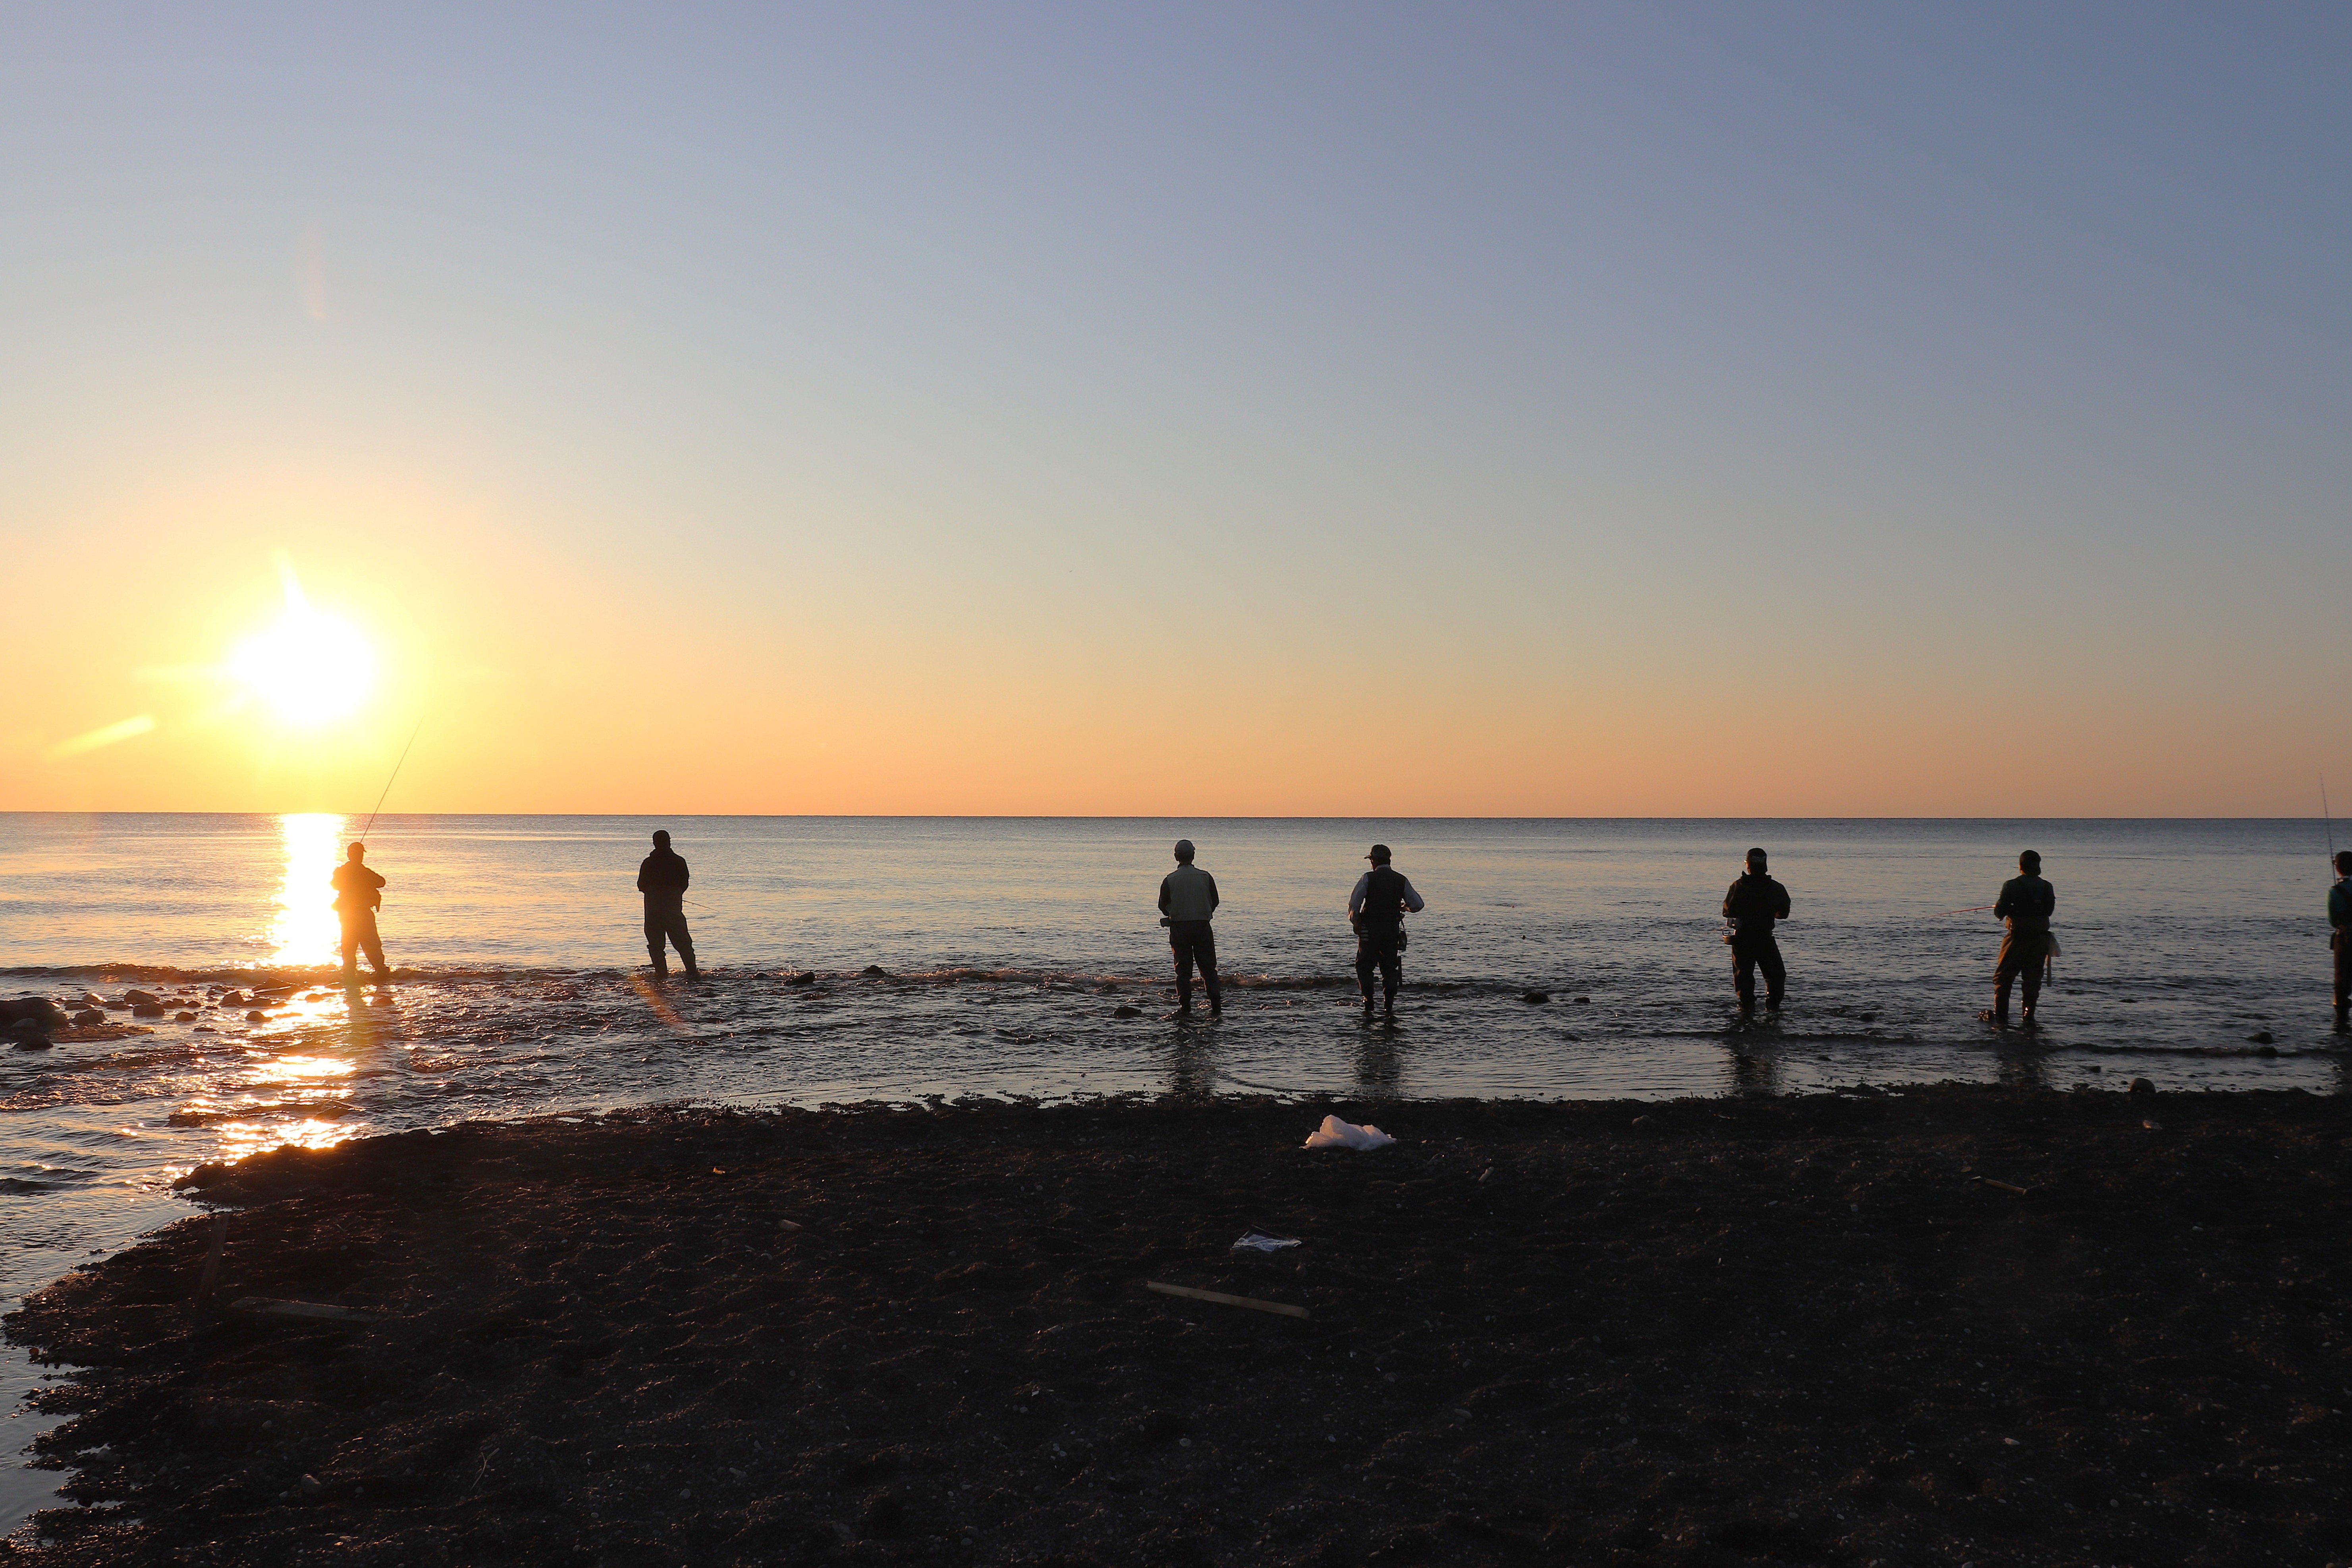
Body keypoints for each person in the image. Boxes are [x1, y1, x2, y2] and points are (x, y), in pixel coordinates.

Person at [1348, 844, 1425, 1019]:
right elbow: (1418, 905)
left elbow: (1354, 904)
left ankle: (1368, 1002)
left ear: (1373, 861)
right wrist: (1405, 908)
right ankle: (1388, 1006)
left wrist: (1356, 922)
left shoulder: (1368, 879)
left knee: (1365, 966)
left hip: (1370, 930)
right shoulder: (1401, 880)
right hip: (1391, 930)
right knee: (1390, 968)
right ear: (1389, 860)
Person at [1991, 850, 2057, 1028]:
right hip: (2040, 941)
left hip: (2016, 939)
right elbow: (2049, 911)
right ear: (2038, 866)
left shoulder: (2011, 886)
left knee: (2003, 979)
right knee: (2032, 981)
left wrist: (2001, 908)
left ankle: (2001, 1019)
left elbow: (1999, 913)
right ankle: (2029, 1019)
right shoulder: (2047, 887)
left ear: (2021, 866)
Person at [1156, 839, 1222, 1019]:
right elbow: (1215, 901)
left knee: (1183, 971)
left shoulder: (1170, 880)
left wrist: (1174, 913)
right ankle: (1216, 1006)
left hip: (1180, 928)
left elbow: (1162, 905)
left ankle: (1185, 1007)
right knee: (1209, 969)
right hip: (1202, 926)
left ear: (1176, 857)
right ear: (1193, 855)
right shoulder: (1206, 877)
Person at [1721, 847, 1790, 1015]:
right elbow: (1784, 914)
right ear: (1765, 866)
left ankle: (1746, 1010)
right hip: (1764, 939)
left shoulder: (1738, 887)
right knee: (1776, 976)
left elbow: (1727, 912)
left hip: (1743, 940)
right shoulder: (1776, 888)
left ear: (1748, 866)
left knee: (1743, 978)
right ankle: (1772, 1009)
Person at [637, 830, 699, 979]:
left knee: (656, 946)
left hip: (652, 911)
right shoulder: (679, 861)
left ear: (654, 843)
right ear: (670, 842)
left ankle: (661, 975)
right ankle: (692, 973)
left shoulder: (648, 863)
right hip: (673, 910)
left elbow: (641, 885)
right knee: (683, 944)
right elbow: (685, 883)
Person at [330, 841, 390, 982]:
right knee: (371, 943)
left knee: (350, 944)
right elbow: (381, 882)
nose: (361, 856)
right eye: (360, 854)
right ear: (352, 855)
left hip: (347, 914)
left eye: (361, 854)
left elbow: (334, 885)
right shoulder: (363, 872)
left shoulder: (342, 871)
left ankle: (349, 973)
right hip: (361, 913)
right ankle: (380, 971)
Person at [2330, 849, 2352, 1033]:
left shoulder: (2335, 892)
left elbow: (2332, 921)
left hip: (2344, 939)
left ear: (2338, 869)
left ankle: (2341, 1023)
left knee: (2341, 980)